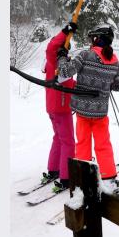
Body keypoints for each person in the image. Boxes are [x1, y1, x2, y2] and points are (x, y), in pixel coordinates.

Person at [57, 23, 119, 189]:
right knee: (103, 145)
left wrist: (61, 57)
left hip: (82, 111)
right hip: (100, 113)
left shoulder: (85, 55)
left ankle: (84, 179)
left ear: (98, 39)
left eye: (93, 38)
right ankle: (109, 179)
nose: (91, 41)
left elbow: (64, 72)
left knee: (82, 143)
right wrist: (107, 83)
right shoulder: (114, 62)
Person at [41, 21, 78, 192]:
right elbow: (51, 47)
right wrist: (64, 32)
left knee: (59, 138)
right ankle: (66, 177)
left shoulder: (61, 64)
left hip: (54, 107)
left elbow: (68, 83)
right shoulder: (53, 60)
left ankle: (54, 169)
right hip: (60, 108)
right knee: (68, 142)